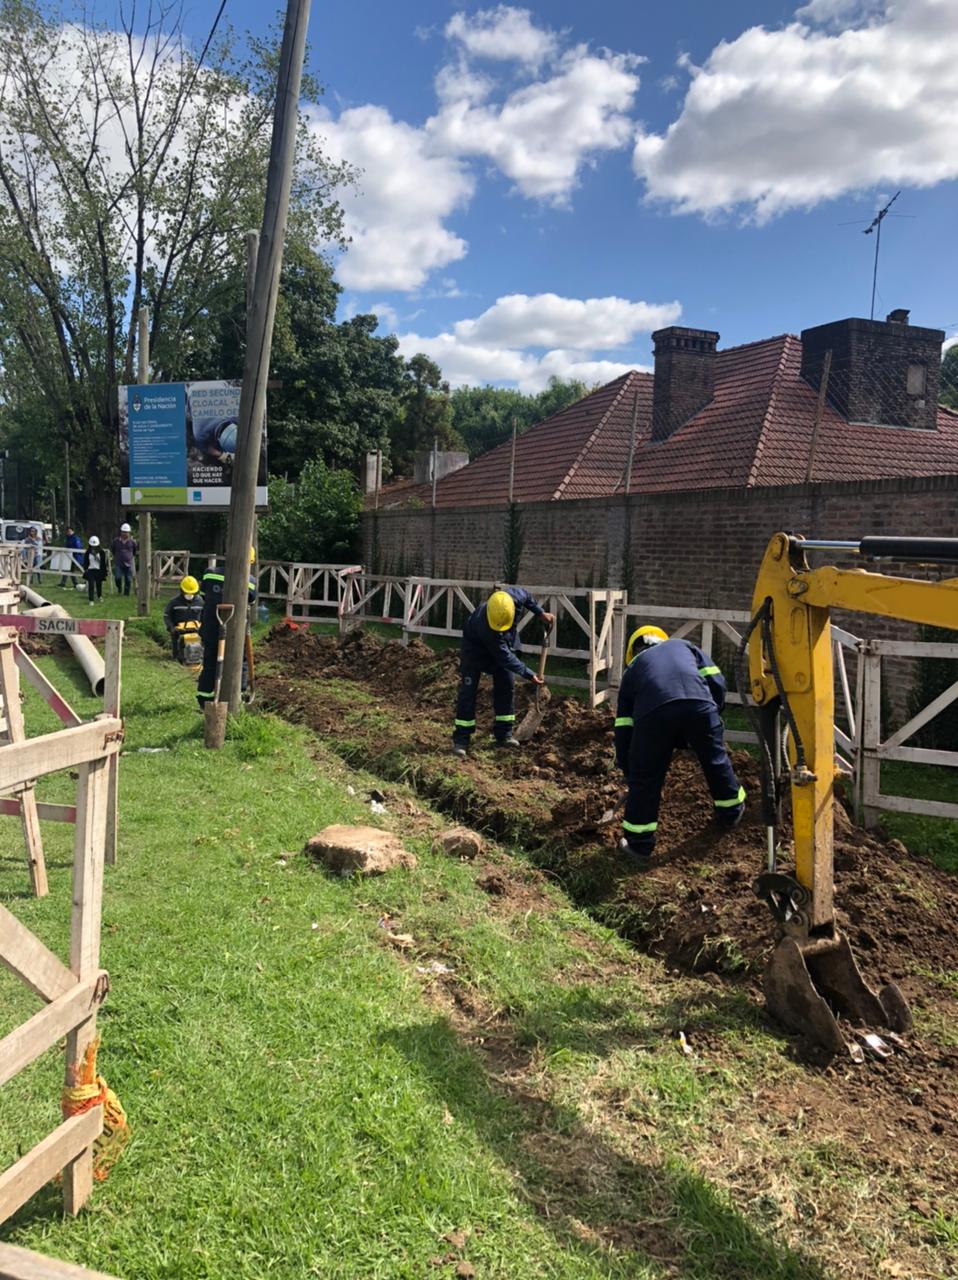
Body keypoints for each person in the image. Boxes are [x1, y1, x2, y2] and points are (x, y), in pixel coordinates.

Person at [614, 626, 745, 865]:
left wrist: (629, 769)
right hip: (701, 706)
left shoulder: (632, 670)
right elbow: (716, 679)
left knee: (646, 778)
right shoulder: (684, 646)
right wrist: (714, 712)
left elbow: (624, 727)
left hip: (653, 717)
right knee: (714, 759)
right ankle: (732, 810)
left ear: (632, 652)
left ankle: (638, 845)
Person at [452, 588, 555, 757]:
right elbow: (504, 656)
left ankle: (504, 734)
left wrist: (540, 612)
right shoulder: (484, 626)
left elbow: (526, 596)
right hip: (474, 652)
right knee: (467, 693)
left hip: (503, 644)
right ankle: (461, 739)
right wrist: (529, 674)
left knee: (507, 685)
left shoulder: (514, 598)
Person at [196, 550, 256, 710]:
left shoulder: (210, 574)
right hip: (236, 630)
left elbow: (204, 596)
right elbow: (251, 601)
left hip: (210, 626)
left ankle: (204, 699)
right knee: (239, 661)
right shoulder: (250, 582)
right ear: (249, 562)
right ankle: (237, 696)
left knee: (210, 661)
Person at [164, 575, 204, 659]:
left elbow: (205, 616)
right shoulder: (174, 602)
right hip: (179, 632)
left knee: (199, 652)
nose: (189, 595)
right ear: (182, 590)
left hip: (196, 631)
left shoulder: (201, 602)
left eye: (192, 593)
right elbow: (167, 616)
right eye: (187, 592)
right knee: (177, 654)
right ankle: (177, 658)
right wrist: (171, 627)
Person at [111, 523, 138, 596]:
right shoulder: (116, 541)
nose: (125, 533)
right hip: (118, 562)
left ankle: (126, 593)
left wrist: (130, 557)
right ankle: (119, 588)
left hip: (128, 563)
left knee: (128, 579)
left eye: (126, 532)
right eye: (123, 532)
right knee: (117, 577)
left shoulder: (132, 542)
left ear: (129, 533)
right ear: (121, 532)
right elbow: (113, 549)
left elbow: (134, 551)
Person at [82, 536, 108, 605]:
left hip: (99, 570)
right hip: (90, 570)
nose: (93, 547)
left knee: (99, 584)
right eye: (92, 545)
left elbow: (103, 563)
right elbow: (85, 562)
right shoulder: (87, 552)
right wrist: (86, 569)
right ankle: (91, 600)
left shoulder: (101, 552)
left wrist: (96, 557)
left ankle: (99, 596)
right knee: (91, 584)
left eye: (95, 546)